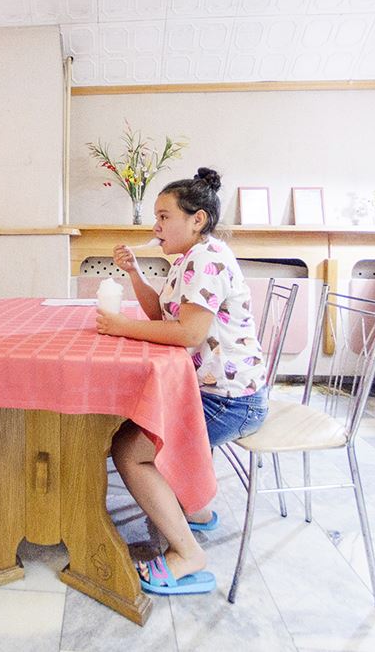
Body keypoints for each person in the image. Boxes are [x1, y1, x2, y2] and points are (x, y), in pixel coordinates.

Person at [95, 167, 268, 595]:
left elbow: (189, 334)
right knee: (137, 424)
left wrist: (120, 327)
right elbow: (162, 316)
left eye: (164, 216)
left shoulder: (206, 260)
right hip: (218, 391)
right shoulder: (191, 258)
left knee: (128, 449)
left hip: (230, 401)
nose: (156, 226)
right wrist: (135, 273)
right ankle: (194, 508)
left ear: (197, 220)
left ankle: (188, 553)